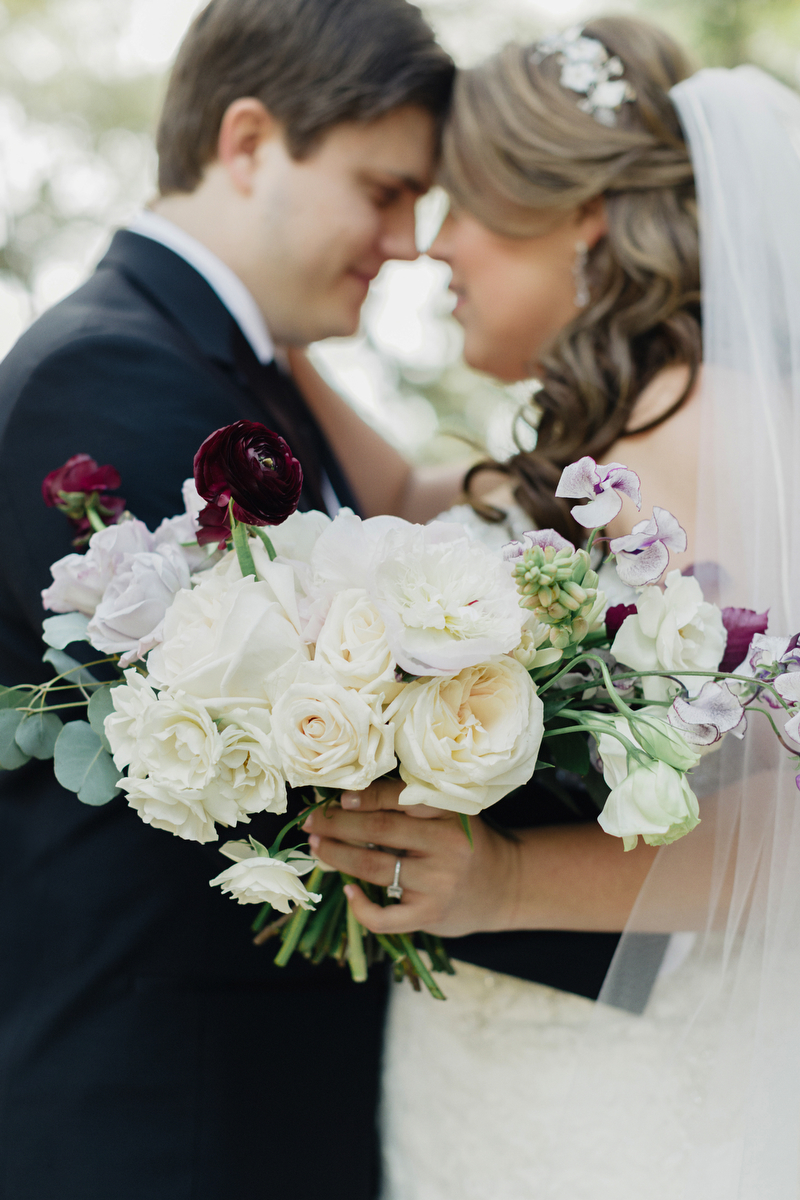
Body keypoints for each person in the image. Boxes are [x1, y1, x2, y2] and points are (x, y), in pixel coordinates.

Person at [304, 16, 800, 1198]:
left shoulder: (698, 425)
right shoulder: (599, 443)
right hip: (483, 1084)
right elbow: (390, 490)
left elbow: (784, 826)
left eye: (460, 203)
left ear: (578, 212)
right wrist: (260, 295)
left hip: (620, 1113)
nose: (431, 249)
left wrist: (506, 879)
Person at [0, 2, 456, 1197]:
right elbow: (314, 731)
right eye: (384, 189)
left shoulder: (215, 359)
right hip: (168, 1118)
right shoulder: (118, 374)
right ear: (249, 142)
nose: (407, 241)